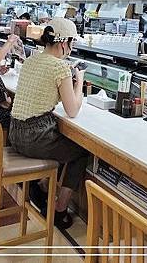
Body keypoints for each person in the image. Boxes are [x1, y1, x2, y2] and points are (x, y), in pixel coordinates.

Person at [8, 18, 87, 230]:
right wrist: (78, 80)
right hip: (35, 138)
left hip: (15, 132)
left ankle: (41, 186)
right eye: (72, 43)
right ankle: (59, 210)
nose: (71, 48)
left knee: (62, 144)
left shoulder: (32, 60)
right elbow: (72, 110)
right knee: (79, 152)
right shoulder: (60, 67)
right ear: (64, 43)